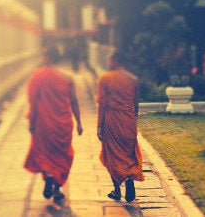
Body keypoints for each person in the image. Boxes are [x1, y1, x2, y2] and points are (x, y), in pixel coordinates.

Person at [23, 46, 83, 202]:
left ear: (47, 58)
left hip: (43, 122)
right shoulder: (67, 77)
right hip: (63, 124)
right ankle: (56, 189)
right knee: (62, 154)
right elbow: (74, 102)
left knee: (43, 152)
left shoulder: (38, 76)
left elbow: (33, 101)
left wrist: (32, 120)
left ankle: (48, 173)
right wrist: (79, 123)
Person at [96, 49, 144, 202]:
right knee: (128, 154)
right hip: (128, 121)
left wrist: (99, 126)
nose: (108, 63)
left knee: (112, 155)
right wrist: (132, 121)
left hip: (112, 120)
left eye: (110, 60)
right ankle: (129, 178)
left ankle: (117, 190)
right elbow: (135, 105)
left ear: (116, 60)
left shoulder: (105, 78)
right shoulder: (133, 79)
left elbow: (102, 104)